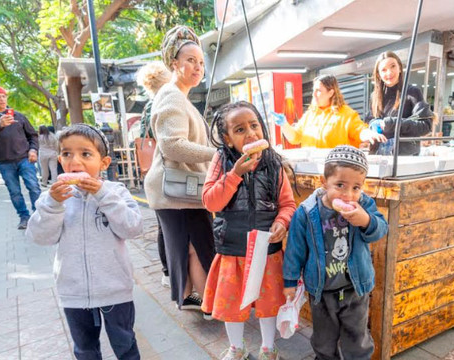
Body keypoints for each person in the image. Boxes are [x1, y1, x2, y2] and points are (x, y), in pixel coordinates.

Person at [26, 124, 143, 360]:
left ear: (104, 163)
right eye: (67, 154)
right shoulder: (53, 197)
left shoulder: (116, 192)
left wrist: (103, 195)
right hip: (74, 291)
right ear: (60, 159)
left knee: (125, 344)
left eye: (86, 154)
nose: (75, 161)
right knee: (85, 349)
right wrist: (53, 204)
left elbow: (133, 228)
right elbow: (40, 237)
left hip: (115, 289)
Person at [201, 102, 296, 360]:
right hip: (232, 250)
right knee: (232, 305)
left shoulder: (274, 163)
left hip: (267, 250)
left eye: (254, 125)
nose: (251, 133)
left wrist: (282, 222)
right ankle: (236, 348)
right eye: (240, 129)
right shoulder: (221, 160)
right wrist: (234, 174)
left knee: (268, 304)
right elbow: (210, 201)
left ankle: (268, 348)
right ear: (227, 139)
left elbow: (287, 203)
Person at [283, 146, 388, 360]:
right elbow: (295, 249)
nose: (348, 195)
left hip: (354, 289)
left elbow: (381, 229)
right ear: (324, 182)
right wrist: (290, 282)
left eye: (356, 187)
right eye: (340, 185)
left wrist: (366, 221)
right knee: (323, 340)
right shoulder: (307, 211)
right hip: (322, 291)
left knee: (357, 339)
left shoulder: (364, 205)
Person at [143, 25, 216, 315]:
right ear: (174, 63)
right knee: (196, 246)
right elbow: (173, 145)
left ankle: (191, 297)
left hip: (180, 188)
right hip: (179, 189)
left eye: (200, 62)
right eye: (190, 60)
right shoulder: (172, 95)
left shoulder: (176, 94)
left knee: (187, 246)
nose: (197, 67)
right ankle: (207, 303)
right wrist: (219, 153)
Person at [0, 85, 40, 229]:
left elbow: (32, 135)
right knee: (15, 192)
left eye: (4, 96)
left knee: (34, 187)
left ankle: (38, 215)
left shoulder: (18, 115)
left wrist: (33, 150)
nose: (2, 99)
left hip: (24, 158)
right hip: (4, 161)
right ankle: (24, 217)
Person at [275, 74, 385, 148]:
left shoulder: (346, 114)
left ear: (331, 93)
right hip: (311, 172)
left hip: (336, 173)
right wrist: (284, 125)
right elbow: (295, 138)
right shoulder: (310, 114)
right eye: (314, 90)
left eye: (318, 91)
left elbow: (359, 130)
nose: (313, 94)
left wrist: (369, 133)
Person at [137, 60, 172, 288]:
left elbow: (143, 141)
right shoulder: (166, 101)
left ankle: (167, 272)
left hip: (153, 175)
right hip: (170, 172)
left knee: (163, 226)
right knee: (173, 227)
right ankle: (174, 273)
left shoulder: (147, 108)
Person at [367, 51, 433, 156]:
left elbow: (425, 126)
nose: (389, 73)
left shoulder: (412, 92)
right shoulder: (374, 96)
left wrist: (393, 123)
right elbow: (369, 120)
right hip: (378, 155)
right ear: (378, 74)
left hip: (404, 158)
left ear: (399, 68)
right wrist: (371, 126)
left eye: (393, 66)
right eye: (383, 70)